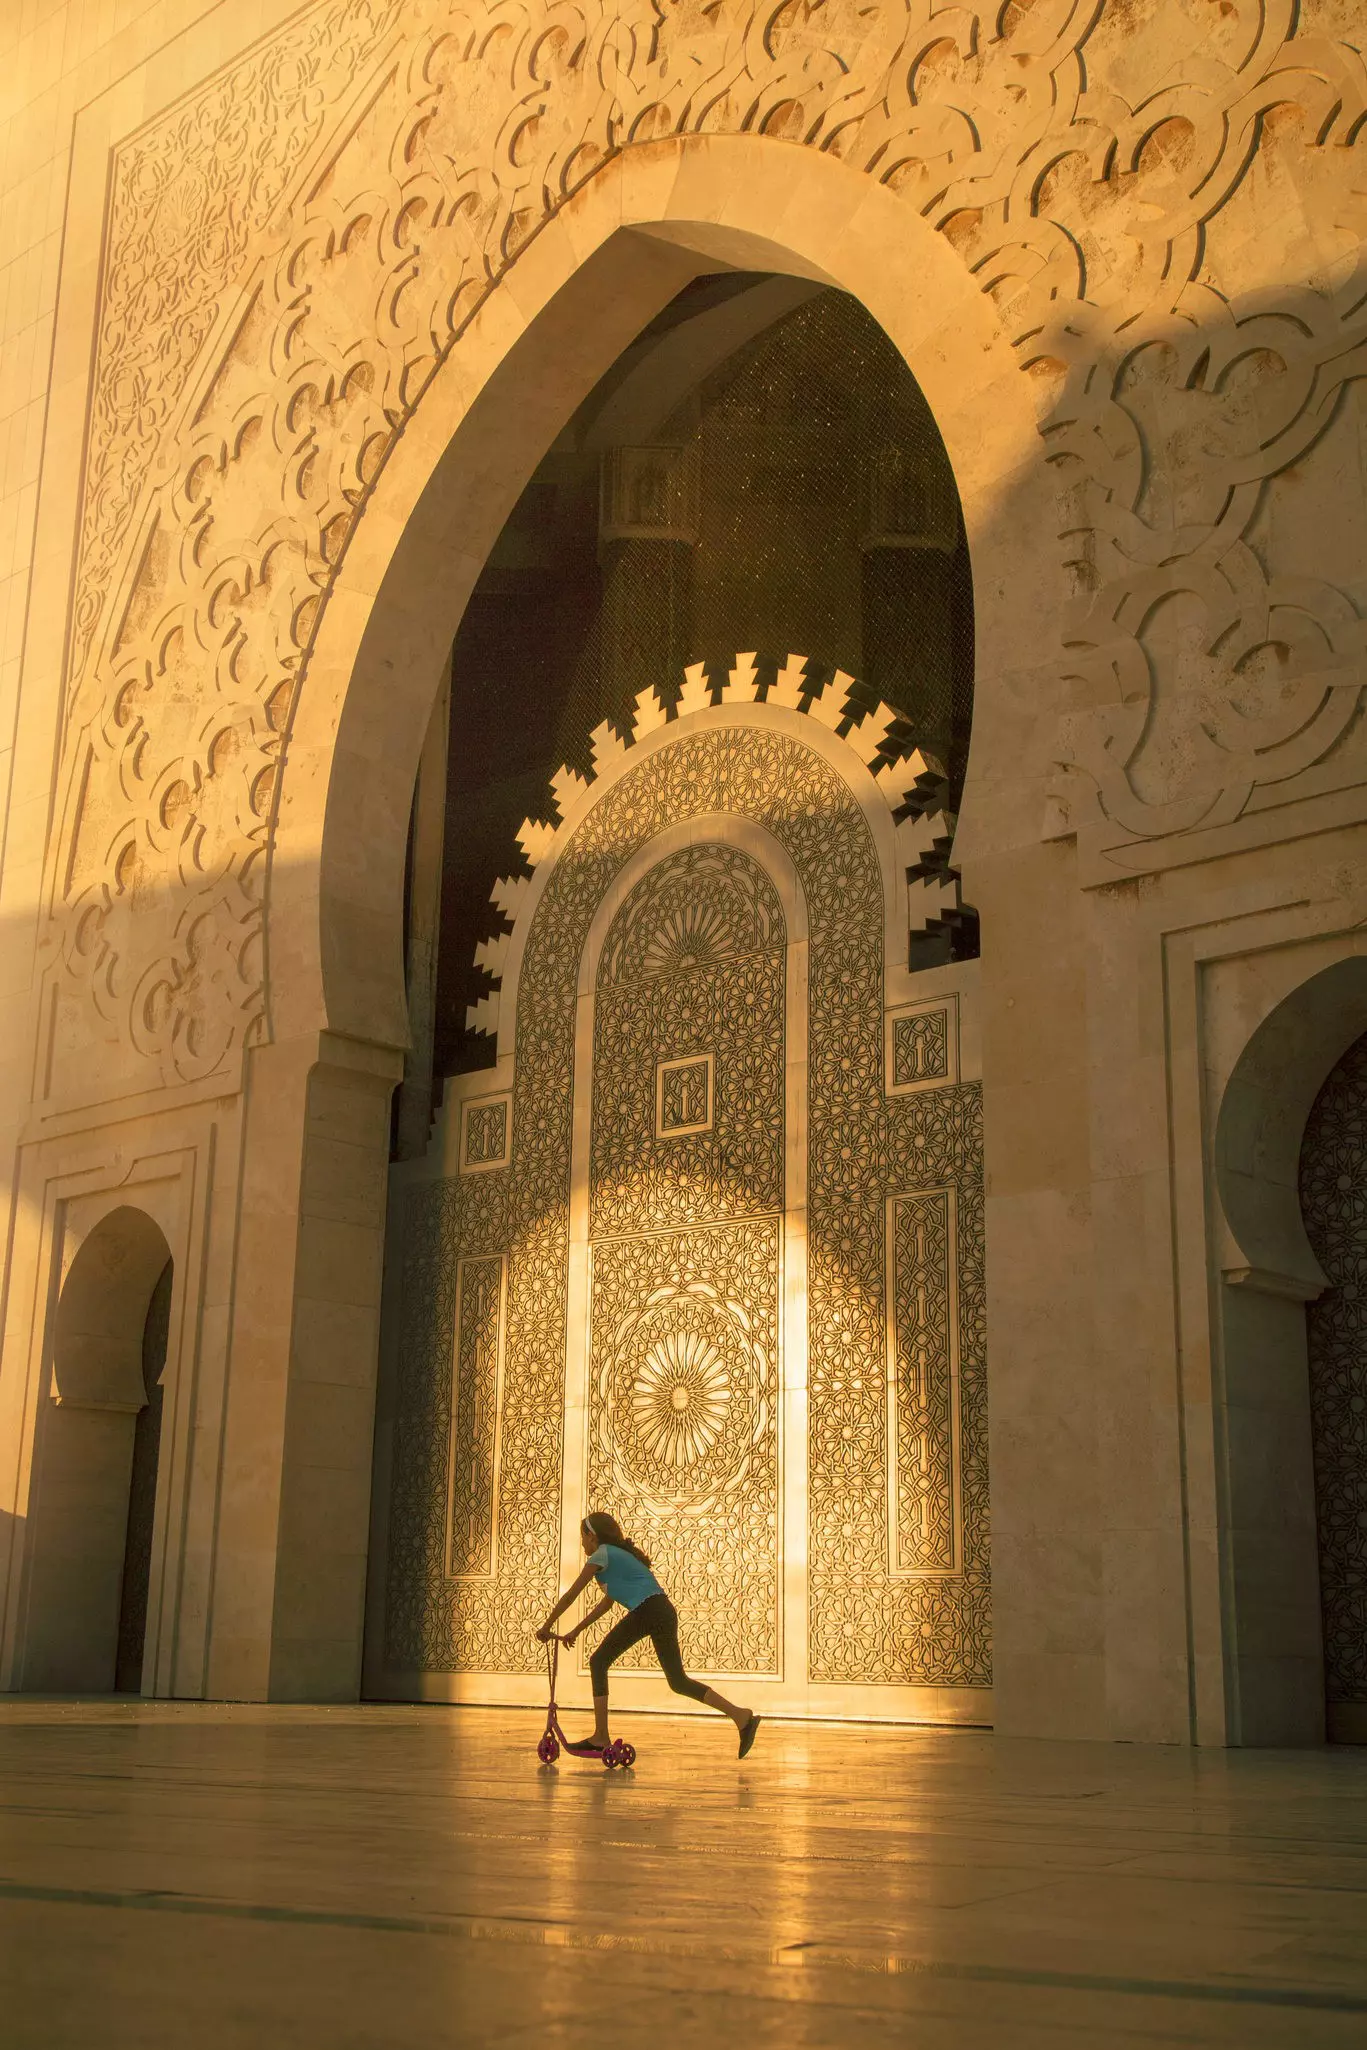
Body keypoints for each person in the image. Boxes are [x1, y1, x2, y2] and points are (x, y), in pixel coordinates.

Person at [537, 1511, 761, 1759]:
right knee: (678, 1682)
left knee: (598, 1661)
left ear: (592, 1536)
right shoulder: (617, 1557)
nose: (581, 1544)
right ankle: (741, 1716)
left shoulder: (602, 1554)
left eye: (582, 1537)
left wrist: (546, 1626)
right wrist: (576, 1631)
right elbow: (605, 1605)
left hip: (649, 1609)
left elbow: (571, 1594)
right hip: (662, 1611)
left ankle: (601, 1736)